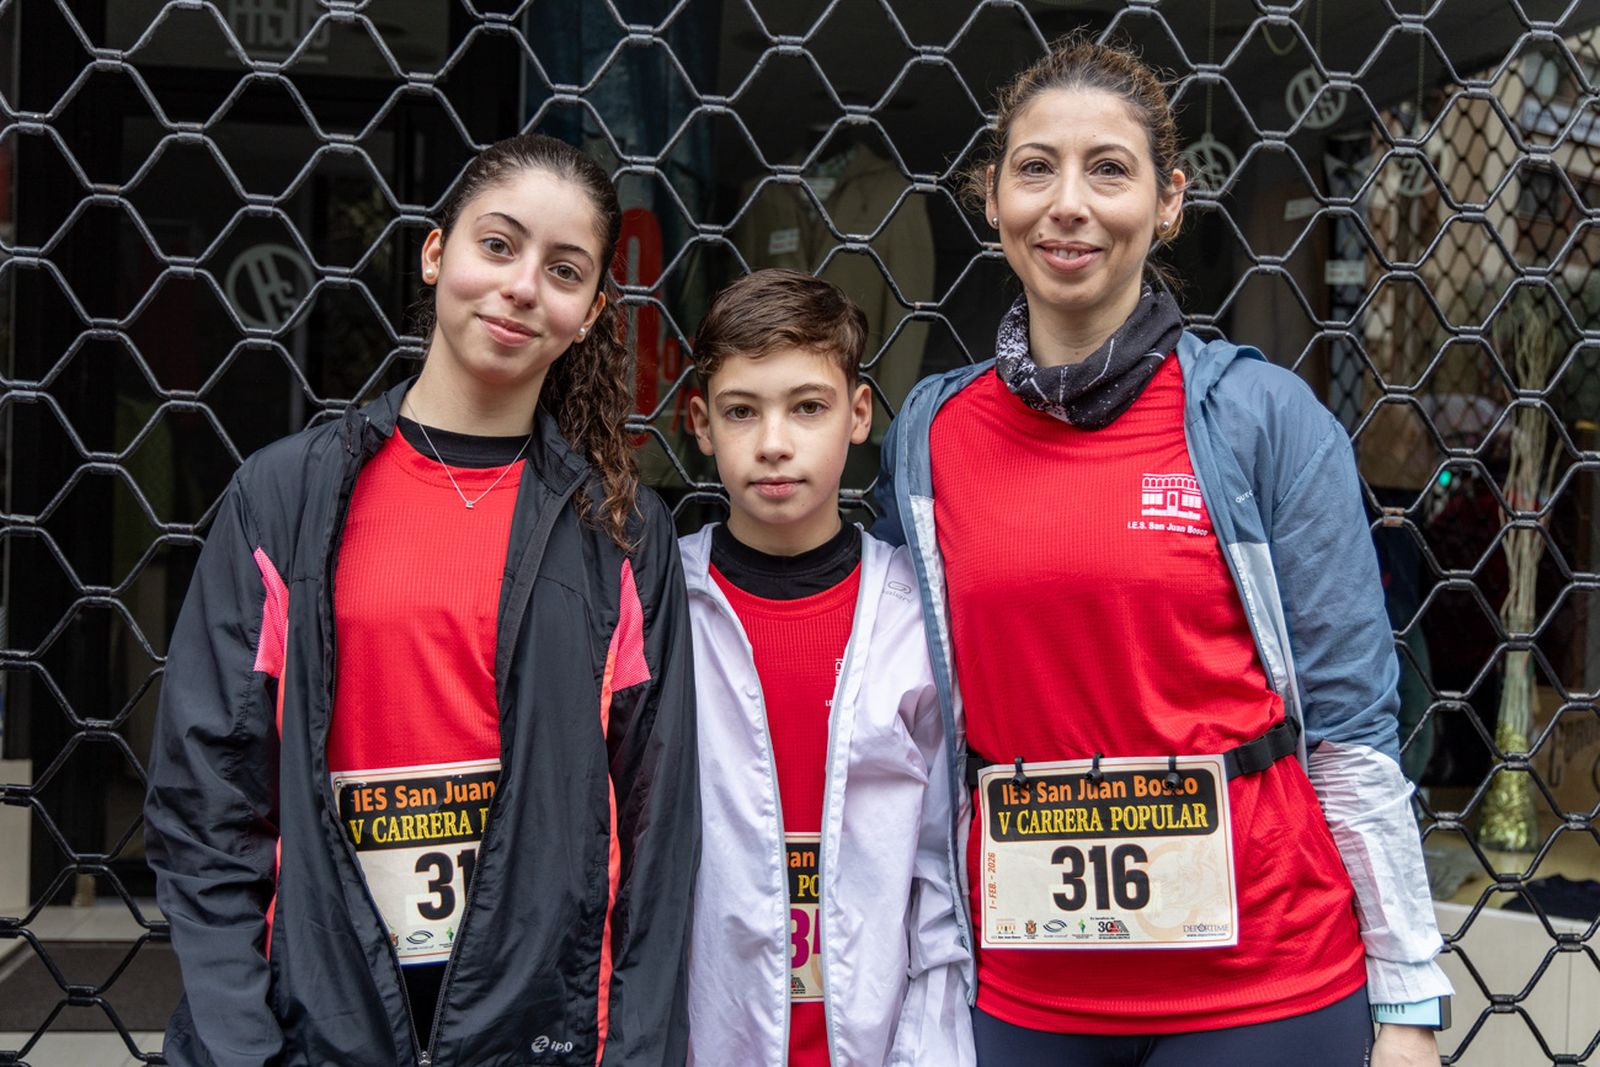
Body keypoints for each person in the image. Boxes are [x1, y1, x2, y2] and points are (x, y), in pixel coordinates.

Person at [873, 38, 1453, 1067]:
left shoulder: (1261, 419)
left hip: (1263, 985)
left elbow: (1356, 727)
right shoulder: (929, 434)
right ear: (992, 196)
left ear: (1169, 199)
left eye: (1109, 168)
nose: (1068, 204)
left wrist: (1405, 997)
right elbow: (909, 722)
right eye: (1035, 167)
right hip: (1023, 989)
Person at [144, 133, 698, 1067]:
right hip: (315, 1026)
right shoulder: (284, 499)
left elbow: (658, 830)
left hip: (539, 1033)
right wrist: (245, 1044)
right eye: (498, 244)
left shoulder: (624, 533)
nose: (523, 286)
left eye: (564, 270)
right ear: (436, 252)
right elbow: (207, 799)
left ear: (592, 310)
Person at [680, 269, 974, 1067]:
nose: (774, 442)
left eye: (807, 406)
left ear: (857, 414)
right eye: (743, 411)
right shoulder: (663, 604)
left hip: (884, 1042)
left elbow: (946, 871)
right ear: (700, 423)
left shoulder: (917, 614)